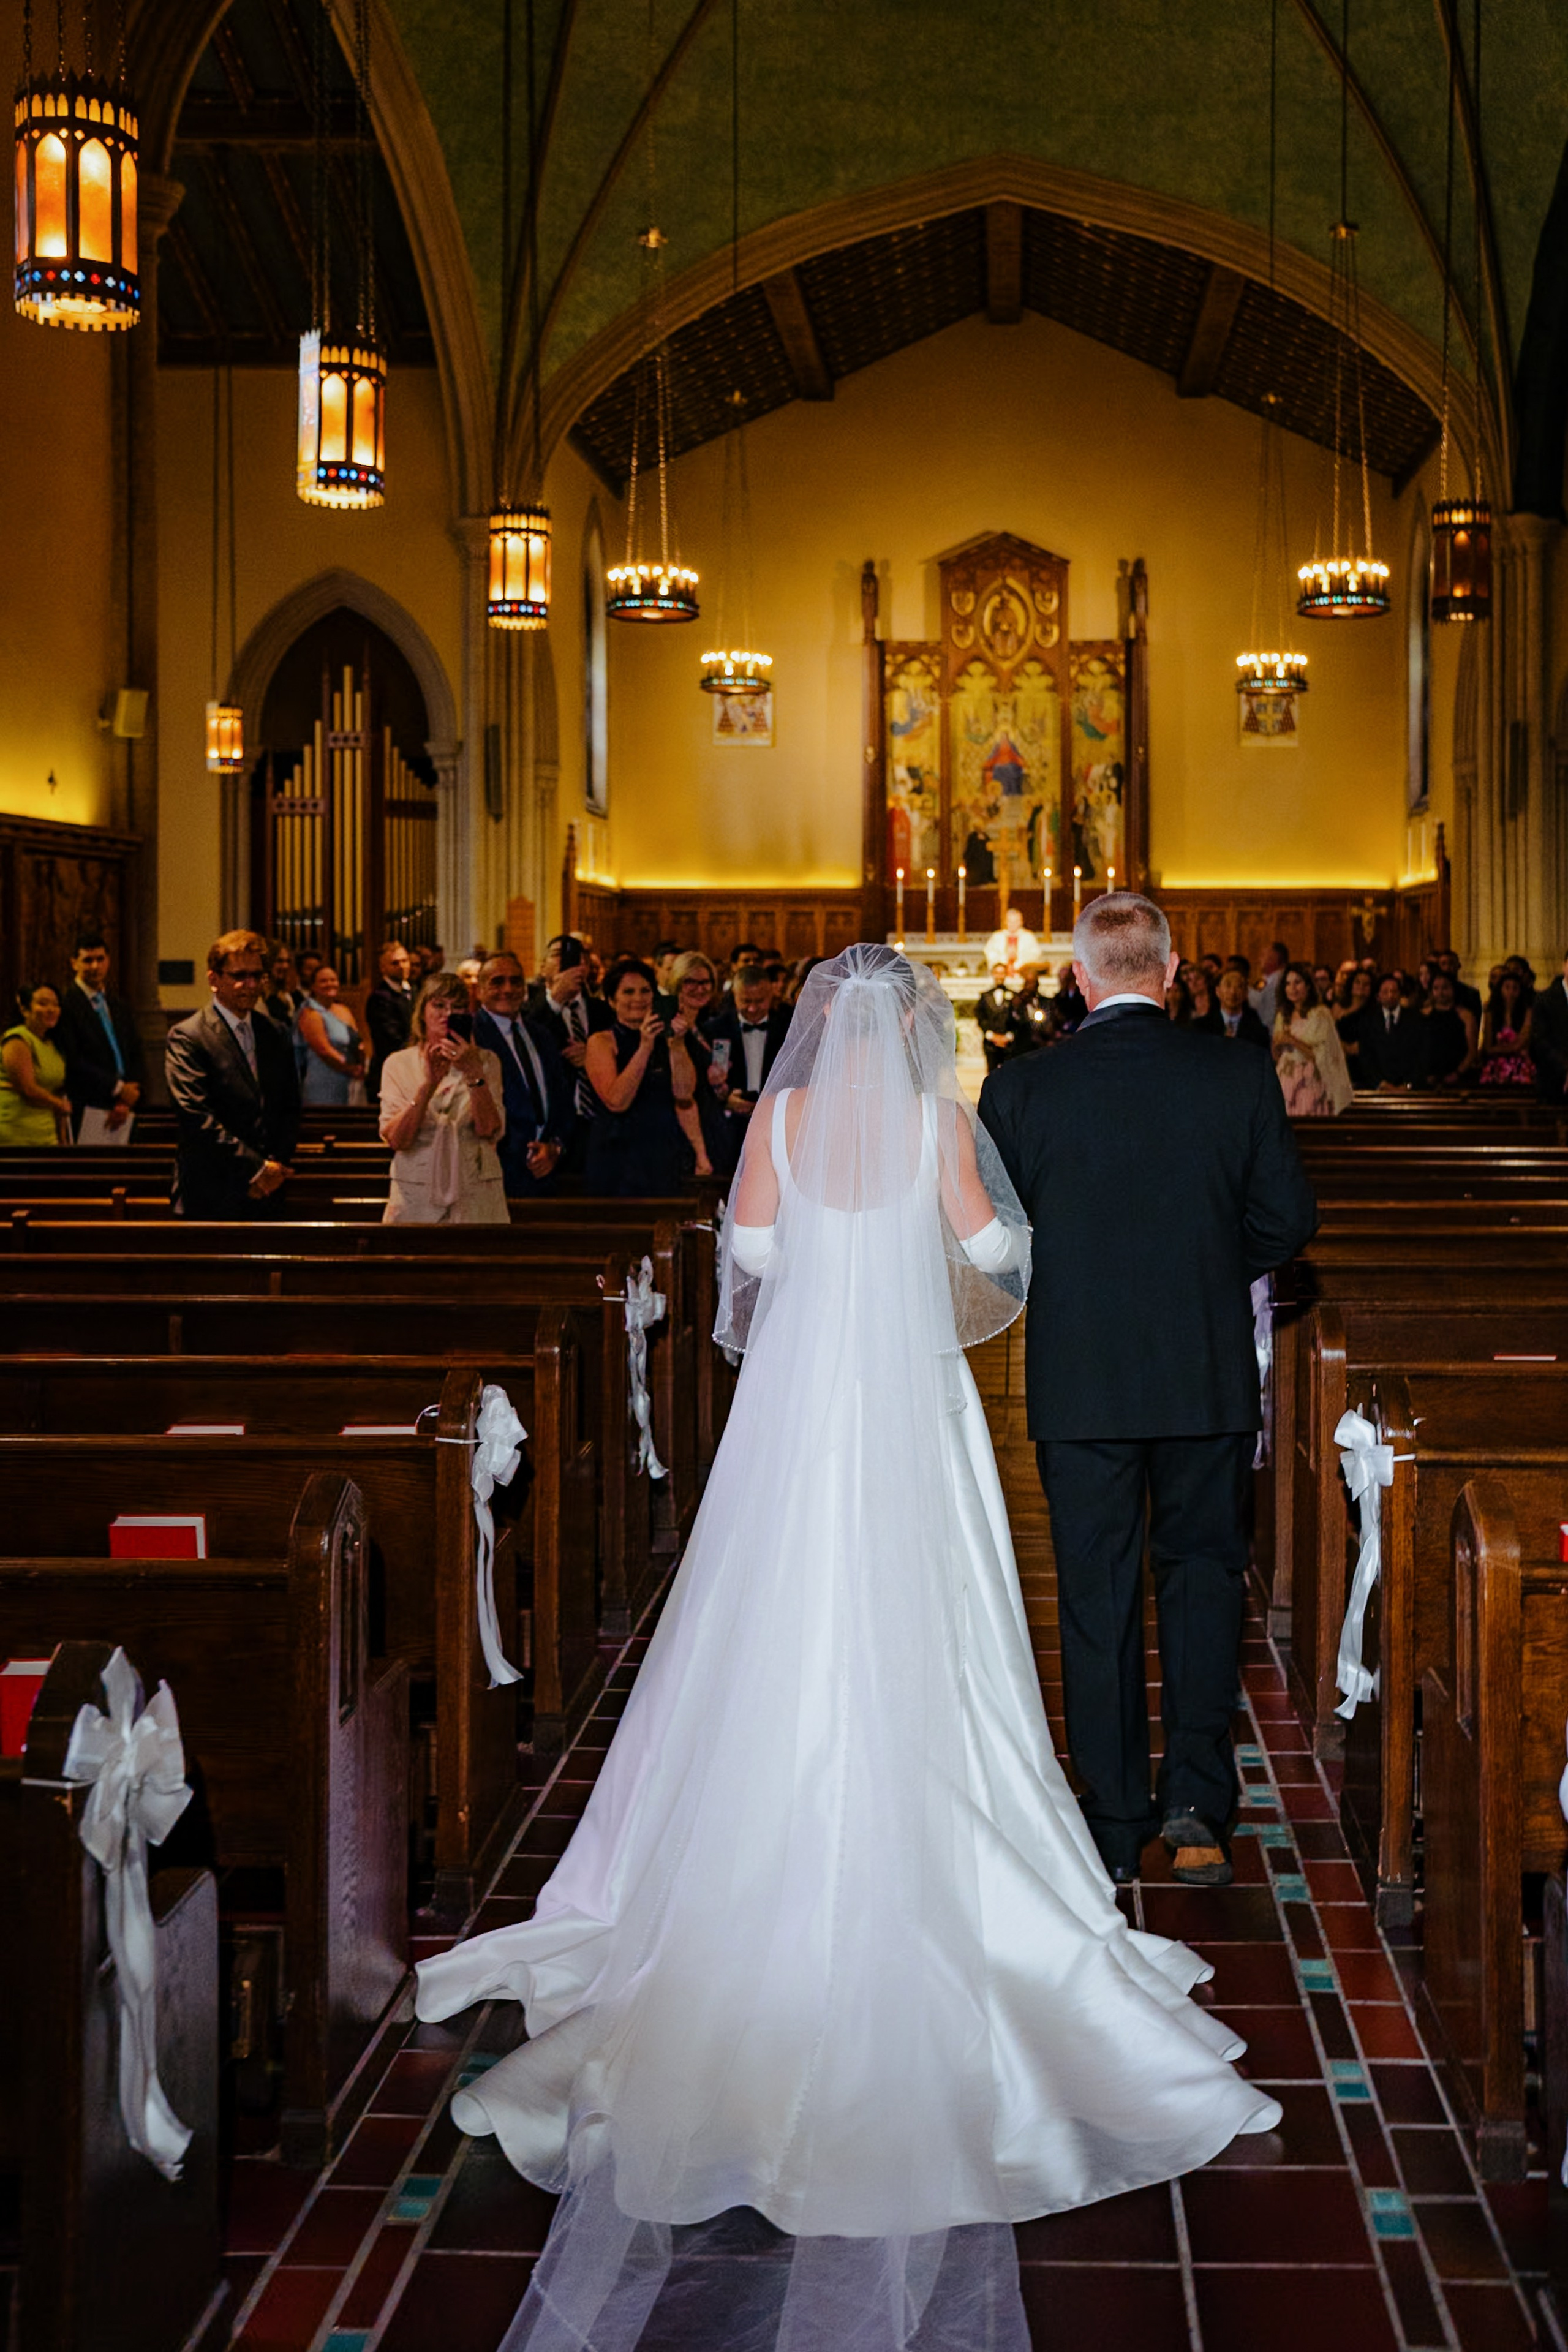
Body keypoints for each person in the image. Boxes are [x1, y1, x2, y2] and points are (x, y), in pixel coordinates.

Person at [415, 942, 1281, 2352]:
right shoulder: (945, 1124)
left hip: (797, 1423)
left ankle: (746, 1863)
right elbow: (995, 1253)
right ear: (919, 1027)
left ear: (822, 1026)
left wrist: (830, 1258)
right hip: (917, 1418)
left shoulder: (778, 1119)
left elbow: (747, 1255)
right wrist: (935, 1260)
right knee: (941, 1634)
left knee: (764, 1623)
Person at [980, 893, 1317, 1890]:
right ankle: (1197, 1808)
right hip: (1203, 1371)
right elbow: (1288, 1220)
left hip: (1079, 1379)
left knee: (1096, 1594)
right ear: (1170, 974)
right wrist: (1213, 1271)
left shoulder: (1022, 1089)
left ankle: (1115, 1816)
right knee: (1205, 1579)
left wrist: (1072, 1285)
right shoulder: (1234, 1072)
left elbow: (1000, 1250)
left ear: (1079, 980)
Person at [165, 930, 301, 1218]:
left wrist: (273, 1168)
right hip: (212, 1190)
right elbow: (195, 1116)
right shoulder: (189, 1036)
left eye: (257, 976)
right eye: (240, 976)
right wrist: (255, 1170)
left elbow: (289, 1108)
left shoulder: (275, 1032)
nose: (250, 985)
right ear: (214, 979)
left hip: (269, 1190)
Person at [378, 971, 507, 1224]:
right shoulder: (398, 1064)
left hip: (475, 1187)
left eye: (457, 1007)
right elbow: (397, 1140)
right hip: (417, 1191)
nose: (447, 1014)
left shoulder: (487, 1062)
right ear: (423, 1012)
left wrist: (473, 1073)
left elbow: (489, 1129)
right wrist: (428, 1085)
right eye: (439, 1005)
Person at [584, 957, 709, 1194]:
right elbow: (617, 1101)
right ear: (612, 1000)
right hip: (617, 1156)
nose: (638, 999)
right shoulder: (601, 1042)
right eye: (628, 992)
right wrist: (644, 1047)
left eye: (645, 991)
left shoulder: (670, 1038)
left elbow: (684, 1094)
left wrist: (678, 1046)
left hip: (664, 1152)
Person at [472, 951, 574, 1196]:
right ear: (480, 990)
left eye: (516, 981)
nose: (508, 989)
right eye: (497, 982)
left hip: (545, 1171)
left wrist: (555, 1147)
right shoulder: (472, 1037)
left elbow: (562, 1101)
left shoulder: (542, 1035)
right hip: (494, 1172)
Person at [700, 956, 793, 1178]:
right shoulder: (714, 1029)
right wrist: (725, 1098)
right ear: (734, 996)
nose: (752, 1008)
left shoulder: (789, 1028)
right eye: (745, 1001)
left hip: (777, 1124)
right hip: (730, 1127)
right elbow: (704, 1082)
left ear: (771, 994)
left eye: (760, 1001)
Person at [55, 931, 146, 1139]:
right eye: (88, 961)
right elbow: (73, 1059)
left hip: (125, 1105)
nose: (95, 966)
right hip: (89, 1103)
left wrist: (128, 1095)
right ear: (74, 963)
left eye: (100, 959)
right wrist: (117, 1088)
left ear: (108, 961)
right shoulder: (66, 1006)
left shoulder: (118, 1005)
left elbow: (135, 1051)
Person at [1272, 963, 1353, 1115]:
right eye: (1288, 984)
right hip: (1285, 1079)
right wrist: (1277, 1045)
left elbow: (1321, 1055)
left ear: (1308, 986)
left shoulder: (1320, 1014)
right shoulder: (1283, 1015)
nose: (1292, 988)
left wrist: (1292, 1041)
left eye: (1298, 982)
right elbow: (1277, 1055)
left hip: (1310, 1080)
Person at [0, 981, 72, 1145]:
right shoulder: (18, 1039)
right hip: (15, 1129)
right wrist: (59, 1104)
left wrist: (62, 1137)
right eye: (43, 1004)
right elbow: (27, 1088)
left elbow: (57, 1090)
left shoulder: (52, 1044)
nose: (51, 1010)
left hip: (45, 1131)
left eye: (55, 1005)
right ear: (25, 1010)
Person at [293, 967, 366, 1107]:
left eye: (333, 980)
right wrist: (351, 1069)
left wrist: (361, 1064)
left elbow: (357, 1040)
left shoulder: (344, 1010)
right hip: (323, 1083)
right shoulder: (310, 1013)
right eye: (323, 981)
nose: (330, 984)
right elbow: (323, 1050)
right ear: (313, 987)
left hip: (349, 1081)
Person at [1355, 973, 1426, 1090]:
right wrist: (1381, 1084)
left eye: (1394, 991)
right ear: (1378, 996)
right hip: (1378, 1089)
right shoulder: (1368, 1021)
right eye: (1385, 992)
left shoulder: (1416, 1019)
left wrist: (1408, 1085)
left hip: (1410, 1089)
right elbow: (1365, 1057)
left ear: (1400, 994)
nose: (1390, 995)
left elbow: (1422, 1055)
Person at [364, 940, 415, 1102]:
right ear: (383, 968)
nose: (402, 966)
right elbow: (390, 1039)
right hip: (390, 1072)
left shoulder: (415, 992)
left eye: (405, 961)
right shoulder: (379, 998)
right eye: (395, 963)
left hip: (414, 1070)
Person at [1479, 968, 1536, 1090]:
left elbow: (1522, 1042)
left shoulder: (1527, 1012)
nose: (1511, 992)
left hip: (1520, 1065)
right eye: (1507, 987)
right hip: (1495, 1065)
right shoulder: (1491, 1013)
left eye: (1515, 988)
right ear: (1500, 989)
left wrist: (1500, 1049)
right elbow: (1488, 1047)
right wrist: (1511, 1049)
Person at [1423, 971, 1480, 1088]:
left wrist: (1457, 1073)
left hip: (1459, 1077)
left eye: (1445, 988)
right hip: (1429, 1077)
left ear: (1454, 989)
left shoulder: (1466, 1016)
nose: (1440, 993)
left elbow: (1472, 1051)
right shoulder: (1423, 1015)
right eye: (1436, 988)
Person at [1530, 948, 1568, 1100]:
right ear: (1565, 965)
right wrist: (1566, 1066)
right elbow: (1540, 1041)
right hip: (1554, 1082)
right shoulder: (1545, 999)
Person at [1200, 967, 1270, 1046]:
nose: (1233, 992)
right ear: (1218, 991)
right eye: (1228, 985)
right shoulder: (1201, 1028)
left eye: (1239, 987)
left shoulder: (1259, 1031)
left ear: (1246, 993)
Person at [976, 960, 1017, 1071]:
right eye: (997, 973)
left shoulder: (1014, 996)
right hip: (991, 1045)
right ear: (993, 974)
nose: (999, 976)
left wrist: (1008, 1037)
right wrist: (991, 1035)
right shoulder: (985, 997)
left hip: (1008, 1045)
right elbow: (981, 1017)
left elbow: (1017, 1018)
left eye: (1002, 973)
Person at [982, 903, 1041, 978]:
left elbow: (1035, 954)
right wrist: (1005, 959)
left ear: (1021, 922)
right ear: (1005, 922)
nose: (1013, 924)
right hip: (1001, 975)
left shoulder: (1028, 937)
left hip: (1022, 974)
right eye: (1010, 921)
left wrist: (1018, 961)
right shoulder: (997, 936)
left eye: (1016, 921)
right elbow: (990, 953)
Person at [1248, 941, 1289, 1030]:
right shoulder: (1266, 980)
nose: (1259, 960)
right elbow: (1256, 993)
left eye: (1263, 956)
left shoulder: (1282, 980)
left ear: (1274, 958)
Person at [262, 941, 300, 1030]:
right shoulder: (263, 995)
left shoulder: (294, 994)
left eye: (288, 961)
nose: (285, 966)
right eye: (280, 961)